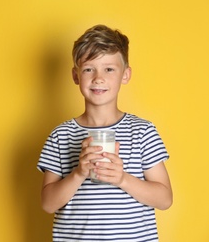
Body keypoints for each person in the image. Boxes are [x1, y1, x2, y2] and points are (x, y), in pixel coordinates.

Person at [37, 24, 173, 241]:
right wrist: (79, 173)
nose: (98, 78)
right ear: (76, 75)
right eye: (89, 69)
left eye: (109, 69)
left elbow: (165, 199)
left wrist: (122, 179)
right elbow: (48, 203)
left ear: (125, 75)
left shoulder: (142, 132)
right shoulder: (61, 136)